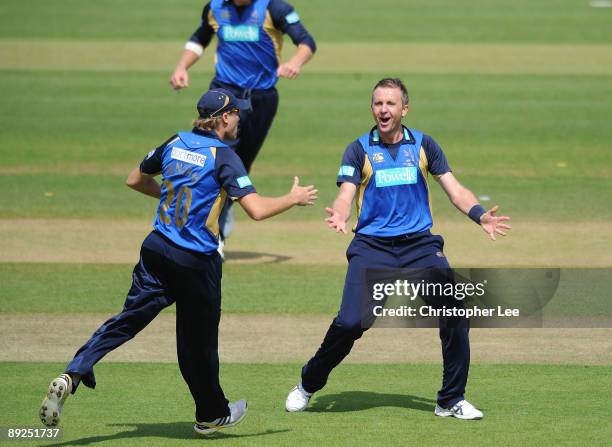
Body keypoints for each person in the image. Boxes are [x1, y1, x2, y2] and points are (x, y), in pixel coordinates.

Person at [39, 88, 317, 435]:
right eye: (236, 114)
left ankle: (74, 372)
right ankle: (211, 414)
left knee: (125, 321)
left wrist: (168, 197)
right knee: (197, 347)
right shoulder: (224, 156)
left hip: (156, 250)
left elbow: (135, 178)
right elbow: (257, 210)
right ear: (224, 118)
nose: (240, 120)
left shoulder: (176, 142)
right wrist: (293, 198)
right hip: (196, 263)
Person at [285, 78, 511, 420]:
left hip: (420, 246)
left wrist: (480, 216)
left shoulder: (423, 145)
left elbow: (454, 189)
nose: (383, 110)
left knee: (455, 313)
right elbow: (346, 193)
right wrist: (341, 214)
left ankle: (451, 399)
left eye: (390, 104)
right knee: (350, 324)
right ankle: (307, 384)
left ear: (404, 109)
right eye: (378, 104)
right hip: (372, 248)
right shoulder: (358, 149)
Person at [170, 0, 317, 253]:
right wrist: (182, 66)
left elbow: (306, 42)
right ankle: (208, 232)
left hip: (261, 98)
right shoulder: (214, 8)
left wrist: (295, 62)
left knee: (240, 165)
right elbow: (199, 38)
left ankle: (223, 214)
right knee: (210, 159)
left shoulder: (275, 9)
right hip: (222, 95)